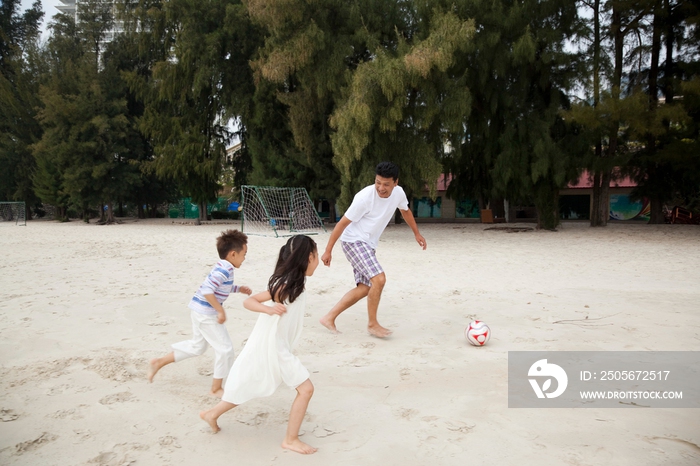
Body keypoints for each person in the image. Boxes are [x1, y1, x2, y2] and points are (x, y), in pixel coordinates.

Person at [200, 235, 320, 455]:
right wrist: (269, 308)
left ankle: (212, 414)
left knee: (248, 383)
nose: (318, 260)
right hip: (276, 347)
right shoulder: (286, 286)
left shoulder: (295, 283)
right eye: (317, 255)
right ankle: (290, 440)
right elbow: (249, 301)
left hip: (277, 345)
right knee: (306, 389)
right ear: (310, 257)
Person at [319, 162, 426, 338]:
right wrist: (328, 250)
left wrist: (417, 234)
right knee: (379, 279)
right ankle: (372, 324)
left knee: (365, 288)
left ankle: (328, 317)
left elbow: (405, 211)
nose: (381, 188)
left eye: (386, 184)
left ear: (395, 182)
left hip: (368, 245)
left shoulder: (398, 193)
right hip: (353, 241)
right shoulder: (364, 198)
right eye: (378, 182)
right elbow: (342, 224)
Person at [148, 229, 252, 398]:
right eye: (244, 254)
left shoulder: (224, 267)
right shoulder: (224, 270)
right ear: (233, 254)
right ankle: (216, 388)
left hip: (198, 310)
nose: (245, 258)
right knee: (225, 350)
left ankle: (159, 362)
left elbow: (220, 287)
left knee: (198, 347)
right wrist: (220, 310)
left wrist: (238, 288)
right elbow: (207, 290)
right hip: (206, 313)